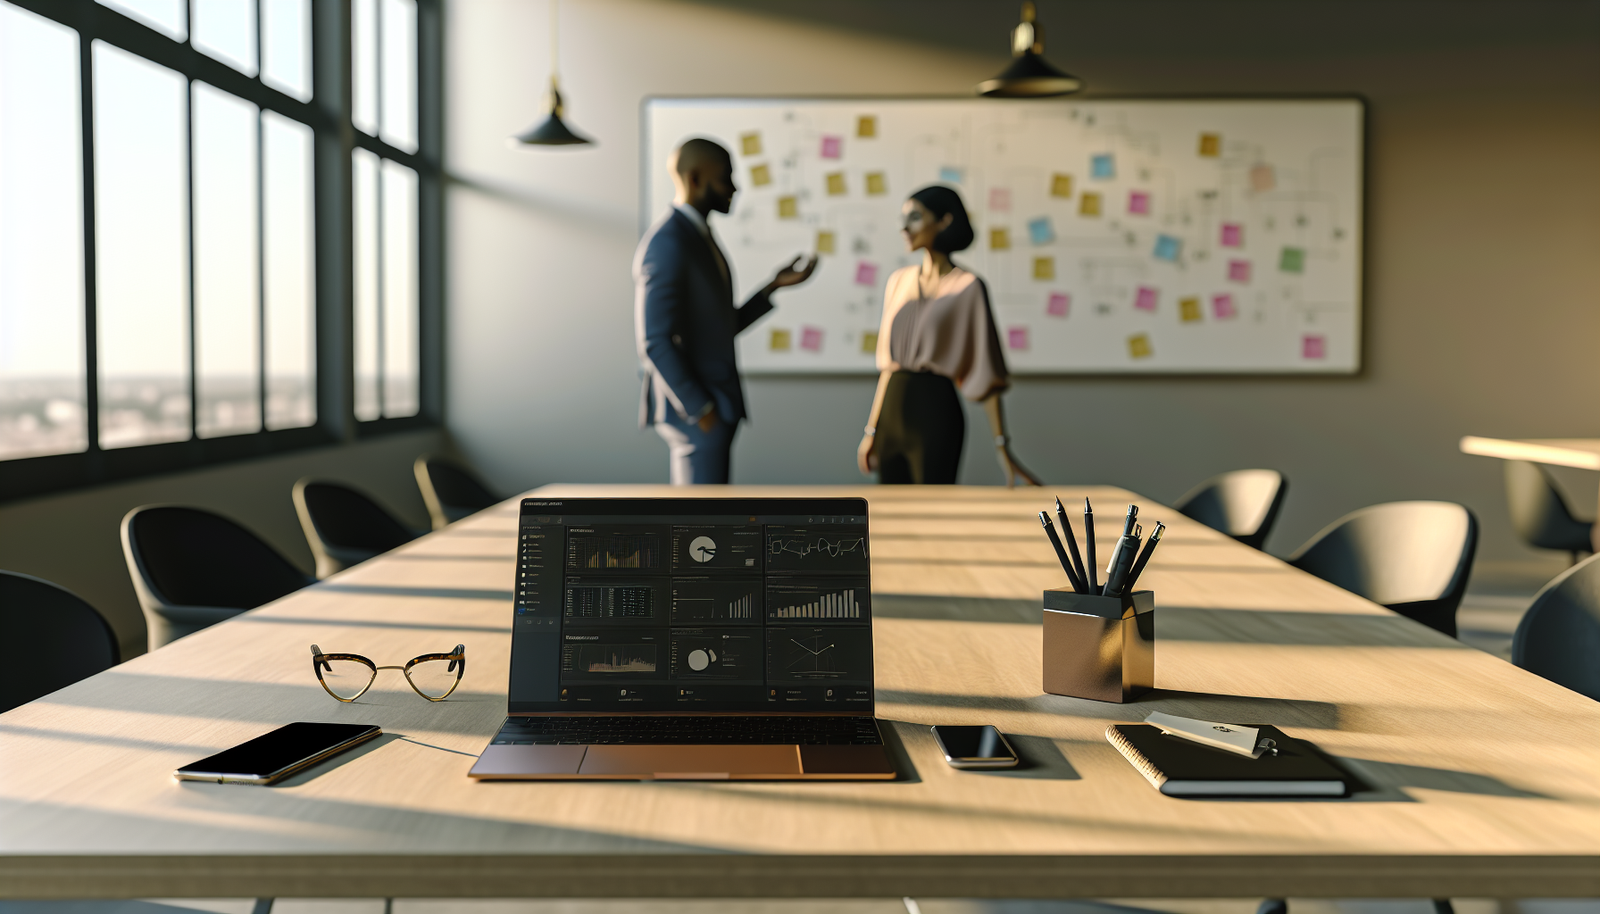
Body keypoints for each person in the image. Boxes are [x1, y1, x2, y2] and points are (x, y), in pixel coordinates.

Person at [634, 138, 818, 484]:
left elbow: (715, 327)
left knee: (708, 521)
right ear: (694, 179)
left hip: (714, 405)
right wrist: (701, 409)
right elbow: (654, 341)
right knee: (698, 527)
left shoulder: (698, 237)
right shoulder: (669, 242)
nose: (734, 187)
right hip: (697, 411)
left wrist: (773, 286)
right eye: (725, 177)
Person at [857, 185, 1040, 487]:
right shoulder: (898, 282)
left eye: (915, 217)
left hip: (936, 413)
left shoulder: (968, 287)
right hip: (892, 413)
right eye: (903, 218)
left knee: (932, 512)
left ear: (943, 221)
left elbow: (986, 370)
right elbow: (889, 368)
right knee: (889, 516)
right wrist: (871, 431)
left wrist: (1001, 445)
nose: (905, 227)